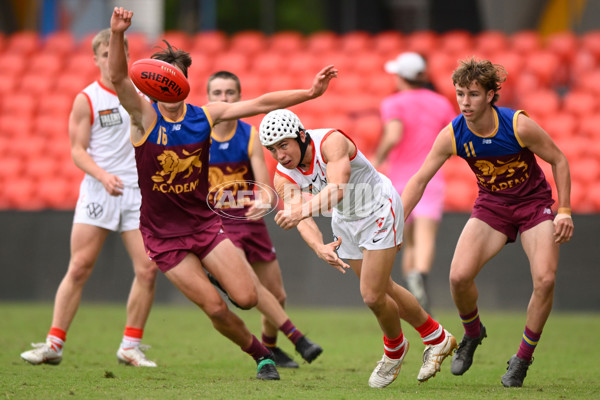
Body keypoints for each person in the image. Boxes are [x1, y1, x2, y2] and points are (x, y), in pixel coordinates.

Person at [108, 7, 336, 380]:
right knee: (215, 308)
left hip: (204, 224)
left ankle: (219, 279)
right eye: (163, 82)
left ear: (183, 83)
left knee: (247, 298)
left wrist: (310, 94)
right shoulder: (144, 118)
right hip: (163, 237)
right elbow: (118, 77)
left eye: (176, 80)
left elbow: (261, 103)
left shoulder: (205, 115)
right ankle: (262, 356)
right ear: (153, 85)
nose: (168, 89)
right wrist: (118, 34)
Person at [400, 57, 574, 387]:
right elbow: (420, 179)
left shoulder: (518, 125)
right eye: (460, 93)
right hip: (492, 207)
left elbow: (559, 159)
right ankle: (472, 333)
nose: (465, 102)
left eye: (474, 95)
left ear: (491, 96)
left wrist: (563, 209)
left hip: (534, 206)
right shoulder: (453, 133)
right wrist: (398, 220)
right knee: (458, 277)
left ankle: (522, 358)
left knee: (546, 279)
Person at [259, 108, 457, 388]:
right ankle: (437, 337)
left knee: (372, 295)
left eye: (283, 145)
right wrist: (318, 246)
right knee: (384, 288)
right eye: (272, 149)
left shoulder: (331, 141)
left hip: (378, 208)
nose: (279, 155)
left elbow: (338, 188)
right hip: (345, 219)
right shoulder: (283, 175)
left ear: (301, 136)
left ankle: (394, 350)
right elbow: (299, 217)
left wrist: (300, 210)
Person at [20, 28, 158, 368]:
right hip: (99, 190)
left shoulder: (142, 96)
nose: (112, 58)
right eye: (106, 53)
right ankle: (54, 343)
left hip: (137, 194)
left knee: (149, 269)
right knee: (80, 267)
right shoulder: (87, 99)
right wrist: (102, 175)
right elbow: (77, 151)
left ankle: (130, 345)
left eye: (119, 52)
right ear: (96, 58)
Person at [206, 70, 322, 368]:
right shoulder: (199, 139)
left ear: (239, 97)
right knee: (250, 288)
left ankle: (271, 348)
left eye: (229, 93)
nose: (224, 99)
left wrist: (264, 200)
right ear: (209, 98)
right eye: (217, 93)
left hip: (251, 222)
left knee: (277, 295)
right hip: (219, 226)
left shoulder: (249, 135)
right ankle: (297, 339)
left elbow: (265, 189)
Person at [373, 52, 456, 313]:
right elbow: (454, 136)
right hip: (430, 177)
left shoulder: (393, 103)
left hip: (399, 180)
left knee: (406, 239)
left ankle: (410, 290)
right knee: (425, 236)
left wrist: (378, 156)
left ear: (402, 77)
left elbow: (394, 134)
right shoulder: (440, 102)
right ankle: (420, 277)